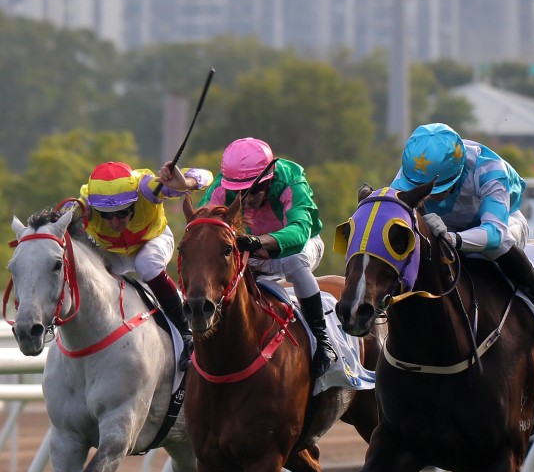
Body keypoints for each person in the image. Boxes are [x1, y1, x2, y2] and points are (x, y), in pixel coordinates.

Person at [163, 137, 337, 378]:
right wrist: (185, 188)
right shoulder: (221, 189)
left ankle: (322, 340)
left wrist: (259, 242)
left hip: (296, 247)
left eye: (255, 190)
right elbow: (202, 226)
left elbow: (299, 230)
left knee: (297, 262)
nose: (248, 198)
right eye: (239, 192)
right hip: (247, 250)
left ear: (270, 177)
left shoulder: (291, 180)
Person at [389, 122, 534, 339]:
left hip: (501, 223)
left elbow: (493, 234)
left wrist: (451, 239)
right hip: (447, 229)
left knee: (498, 244)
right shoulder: (414, 173)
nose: (429, 197)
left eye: (437, 191)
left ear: (458, 172)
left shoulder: (490, 170)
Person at [68, 160, 215, 371]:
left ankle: (185, 332)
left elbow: (205, 175)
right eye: (106, 215)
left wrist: (185, 184)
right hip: (114, 253)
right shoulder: (84, 204)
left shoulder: (147, 187)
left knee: (146, 264)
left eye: (123, 212)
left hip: (153, 240)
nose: (115, 221)